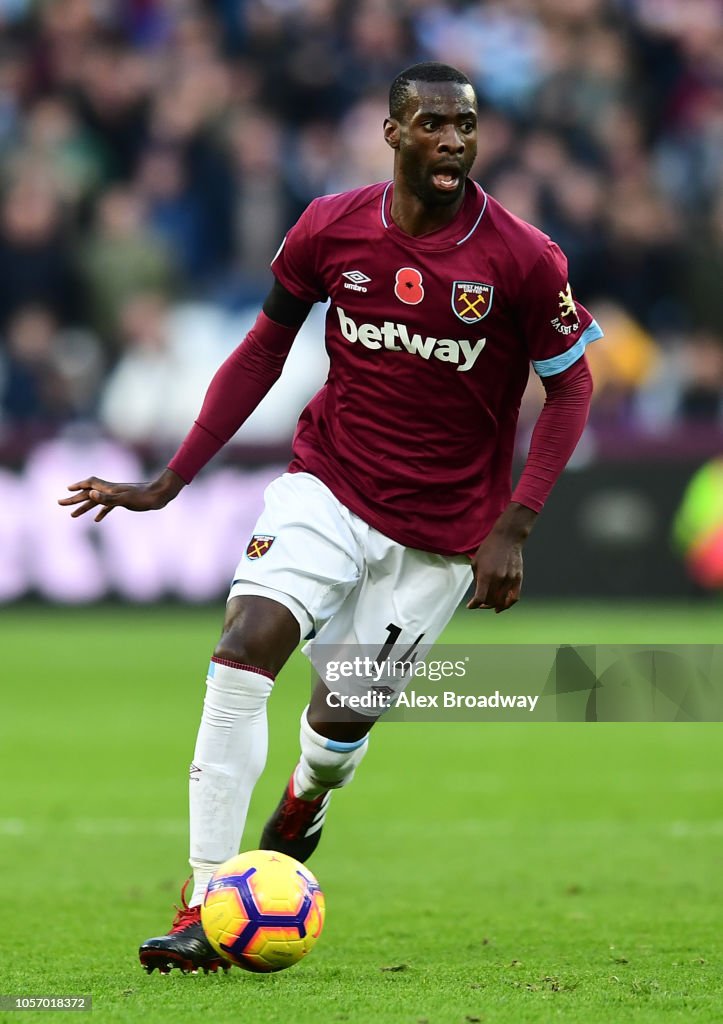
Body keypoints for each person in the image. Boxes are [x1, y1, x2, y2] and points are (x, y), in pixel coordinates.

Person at [59, 62, 602, 975]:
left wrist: (515, 523)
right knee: (243, 647)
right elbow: (262, 350)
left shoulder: (520, 255)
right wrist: (172, 478)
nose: (452, 142)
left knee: (338, 725)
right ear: (392, 132)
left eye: (465, 126)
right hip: (327, 485)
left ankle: (308, 798)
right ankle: (202, 900)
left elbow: (572, 383)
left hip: (439, 535)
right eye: (431, 124)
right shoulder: (329, 226)